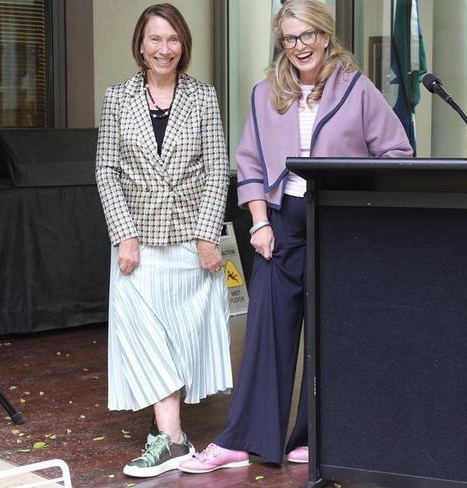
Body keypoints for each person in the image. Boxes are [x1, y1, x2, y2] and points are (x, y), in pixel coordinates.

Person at [179, 0, 412, 474]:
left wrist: (359, 205)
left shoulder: (357, 89)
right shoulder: (266, 93)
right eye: (290, 38)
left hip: (338, 222)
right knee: (266, 328)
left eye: (308, 35)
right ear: (281, 44)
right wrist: (260, 222)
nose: (300, 46)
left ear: (326, 36)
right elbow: (249, 163)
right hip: (281, 218)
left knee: (330, 332)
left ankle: (314, 436)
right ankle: (243, 438)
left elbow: (396, 150)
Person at [95, 3, 232, 479]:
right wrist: (124, 235)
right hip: (138, 245)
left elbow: (218, 168)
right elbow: (106, 171)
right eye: (155, 39)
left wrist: (206, 236)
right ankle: (172, 438)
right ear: (140, 44)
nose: (164, 48)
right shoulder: (117, 98)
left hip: (192, 245)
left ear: (184, 45)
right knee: (144, 337)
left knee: (178, 342)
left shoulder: (203, 97)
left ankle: (171, 439)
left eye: (173, 39)